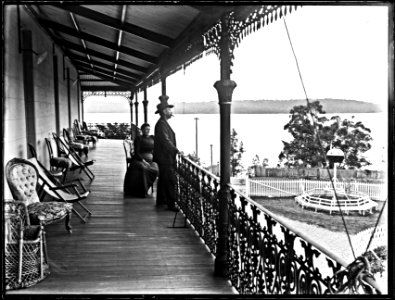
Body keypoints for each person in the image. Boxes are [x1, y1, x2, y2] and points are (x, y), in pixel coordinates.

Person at [153, 100, 182, 211]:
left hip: (163, 157)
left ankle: (161, 200)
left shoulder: (162, 123)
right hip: (165, 158)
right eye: (169, 110)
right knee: (169, 180)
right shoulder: (161, 124)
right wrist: (175, 150)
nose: (171, 112)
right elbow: (165, 140)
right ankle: (171, 204)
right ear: (164, 111)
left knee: (163, 179)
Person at [123, 123, 159, 197]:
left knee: (155, 169)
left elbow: (157, 148)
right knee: (143, 168)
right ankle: (141, 191)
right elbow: (137, 152)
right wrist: (144, 161)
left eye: (149, 129)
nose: (147, 131)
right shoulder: (139, 138)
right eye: (146, 129)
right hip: (139, 160)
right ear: (142, 130)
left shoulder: (152, 138)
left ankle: (147, 186)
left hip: (150, 160)